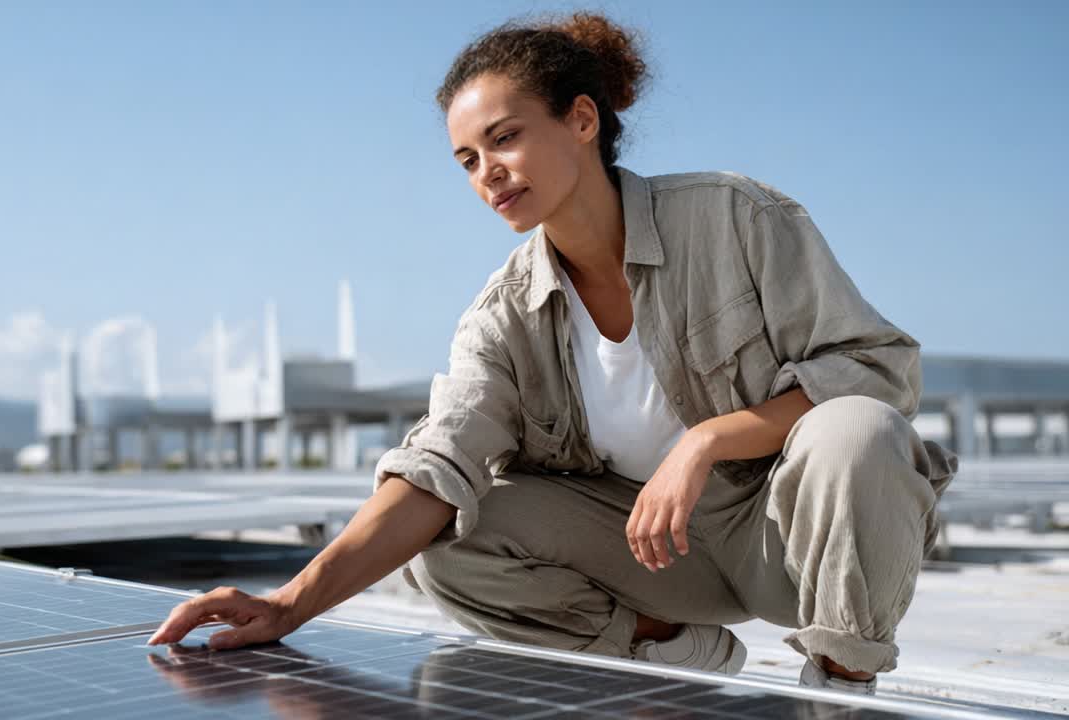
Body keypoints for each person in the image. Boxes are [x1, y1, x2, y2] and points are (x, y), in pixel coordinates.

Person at [149, 12, 958, 695]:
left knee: (855, 426)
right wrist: (289, 605)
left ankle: (841, 689)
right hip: (660, 558)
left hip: (787, 539)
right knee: (455, 539)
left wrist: (709, 441)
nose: (487, 174)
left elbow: (876, 371)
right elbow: (438, 464)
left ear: (581, 120)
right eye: (467, 160)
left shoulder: (734, 218)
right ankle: (670, 646)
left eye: (505, 138)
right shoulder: (504, 314)